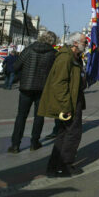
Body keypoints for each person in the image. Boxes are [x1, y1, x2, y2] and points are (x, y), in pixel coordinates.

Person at [38, 32, 87, 177]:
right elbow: (59, 84)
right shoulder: (65, 58)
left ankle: (54, 166)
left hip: (74, 100)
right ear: (75, 43)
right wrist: (66, 107)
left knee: (64, 134)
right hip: (68, 103)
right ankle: (63, 166)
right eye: (84, 42)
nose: (86, 45)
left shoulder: (74, 57)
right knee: (72, 134)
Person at [7, 32, 58, 154]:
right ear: (52, 41)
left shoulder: (29, 49)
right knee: (39, 116)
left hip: (26, 87)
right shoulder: (53, 54)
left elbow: (16, 66)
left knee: (21, 116)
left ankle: (15, 145)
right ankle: (34, 143)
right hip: (43, 88)